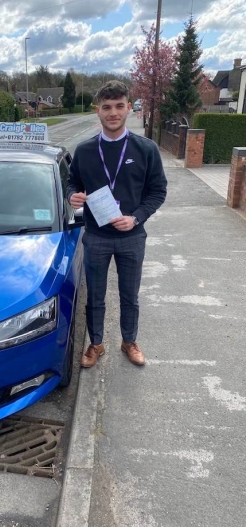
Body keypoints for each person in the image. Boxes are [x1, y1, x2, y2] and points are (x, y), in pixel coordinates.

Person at [67, 80, 167, 367]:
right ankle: (96, 344)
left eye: (119, 106)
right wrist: (72, 194)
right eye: (107, 107)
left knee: (129, 295)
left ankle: (129, 341)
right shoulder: (85, 150)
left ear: (128, 108)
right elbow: (72, 181)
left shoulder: (146, 149)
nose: (113, 113)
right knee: (95, 296)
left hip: (132, 237)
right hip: (96, 236)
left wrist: (137, 216)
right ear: (98, 111)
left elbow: (158, 191)